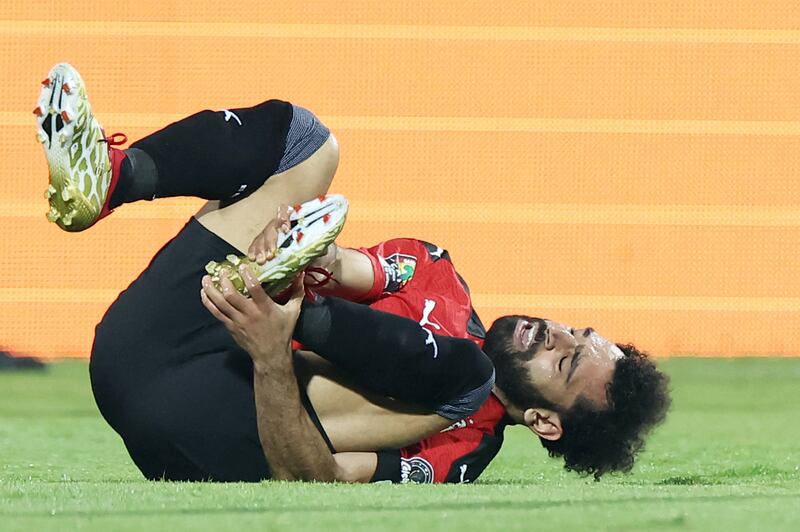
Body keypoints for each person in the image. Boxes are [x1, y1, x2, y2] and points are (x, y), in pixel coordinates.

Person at [36, 62, 670, 483]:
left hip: (202, 427)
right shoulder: (438, 273)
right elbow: (356, 268)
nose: (553, 336)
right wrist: (311, 258)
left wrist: (270, 358)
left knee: (471, 380)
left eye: (563, 363)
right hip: (147, 343)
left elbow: (315, 480)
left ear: (545, 423)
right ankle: (117, 178)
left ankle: (291, 306)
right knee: (306, 144)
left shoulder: (459, 458)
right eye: (574, 333)